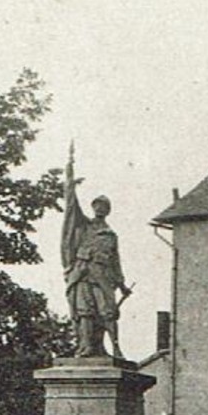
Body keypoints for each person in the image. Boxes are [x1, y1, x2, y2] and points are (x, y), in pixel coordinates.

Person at [62, 148, 132, 358]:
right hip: (82, 271)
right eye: (97, 205)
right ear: (93, 208)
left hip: (103, 275)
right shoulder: (83, 226)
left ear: (108, 210)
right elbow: (71, 208)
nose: (100, 209)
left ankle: (116, 349)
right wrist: (70, 181)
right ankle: (86, 347)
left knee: (108, 312)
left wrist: (122, 285)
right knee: (85, 312)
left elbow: (116, 263)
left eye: (104, 207)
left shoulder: (111, 235)